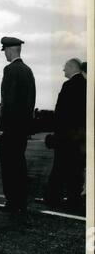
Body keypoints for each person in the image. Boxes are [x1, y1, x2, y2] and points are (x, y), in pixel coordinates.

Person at [0, 37, 36, 215]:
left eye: (5, 50)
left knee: (9, 166)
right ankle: (20, 202)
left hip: (10, 129)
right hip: (22, 128)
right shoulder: (28, 70)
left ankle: (12, 201)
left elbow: (8, 101)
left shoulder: (10, 70)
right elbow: (30, 102)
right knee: (19, 164)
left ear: (11, 50)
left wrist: (2, 126)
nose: (4, 53)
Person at [44, 58, 86, 212]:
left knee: (59, 167)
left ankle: (53, 197)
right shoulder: (85, 84)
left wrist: (57, 133)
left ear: (71, 67)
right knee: (75, 168)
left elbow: (62, 113)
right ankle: (74, 198)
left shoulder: (68, 86)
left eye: (65, 68)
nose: (63, 70)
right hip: (79, 136)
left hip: (66, 135)